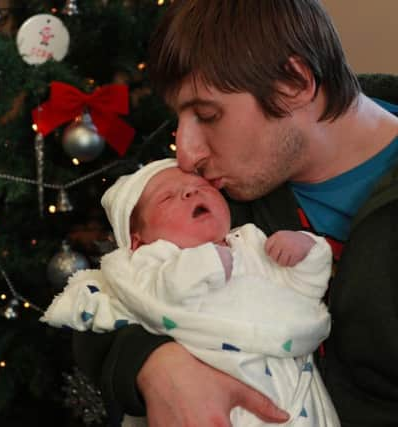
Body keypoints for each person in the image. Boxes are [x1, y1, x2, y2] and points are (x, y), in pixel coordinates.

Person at [72, 1, 398, 426]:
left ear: (294, 83)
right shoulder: (211, 189)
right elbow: (104, 290)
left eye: (207, 115)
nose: (186, 155)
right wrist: (154, 364)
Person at [42, 158, 339, 426]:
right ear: (138, 240)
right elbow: (157, 295)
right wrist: (204, 263)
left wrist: (305, 250)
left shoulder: (251, 242)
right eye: (168, 197)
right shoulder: (149, 262)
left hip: (293, 387)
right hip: (217, 392)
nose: (190, 193)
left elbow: (304, 292)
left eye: (199, 186)